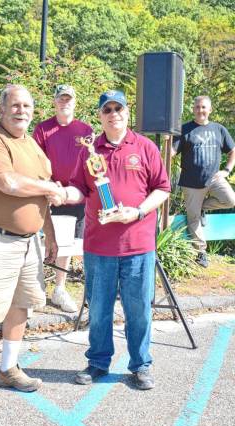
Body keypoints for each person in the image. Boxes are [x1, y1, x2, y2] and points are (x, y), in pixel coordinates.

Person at [54, 90, 170, 390]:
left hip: (138, 246)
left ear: (127, 111)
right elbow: (80, 189)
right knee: (99, 309)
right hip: (99, 246)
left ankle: (141, 365)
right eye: (107, 109)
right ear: (100, 115)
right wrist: (66, 194)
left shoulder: (144, 147)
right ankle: (98, 362)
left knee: (139, 310)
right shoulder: (89, 150)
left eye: (118, 107)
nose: (114, 113)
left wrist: (139, 211)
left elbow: (162, 189)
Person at [0, 84, 62, 412]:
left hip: (29, 242)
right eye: (15, 105)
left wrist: (49, 234)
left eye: (27, 106)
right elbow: (8, 182)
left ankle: (8, 369)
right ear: (2, 110)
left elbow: (42, 198)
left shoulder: (33, 146)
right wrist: (49, 186)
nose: (21, 110)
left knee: (21, 306)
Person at [33, 84, 93, 313]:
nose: (64, 103)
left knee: (67, 246)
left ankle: (59, 288)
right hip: (48, 195)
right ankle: (37, 288)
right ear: (55, 101)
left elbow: (91, 164)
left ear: (74, 102)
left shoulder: (86, 130)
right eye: (61, 99)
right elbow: (36, 160)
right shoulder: (43, 129)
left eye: (69, 99)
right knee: (41, 244)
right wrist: (49, 185)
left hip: (76, 197)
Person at [172, 95, 235, 268]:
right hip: (191, 182)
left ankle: (202, 208)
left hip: (214, 179)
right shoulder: (184, 129)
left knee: (230, 200)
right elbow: (170, 153)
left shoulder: (219, 129)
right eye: (198, 107)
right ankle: (201, 253)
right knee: (193, 219)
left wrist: (227, 171)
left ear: (210, 110)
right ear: (193, 109)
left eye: (204, 107)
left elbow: (233, 151)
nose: (201, 110)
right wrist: (165, 144)